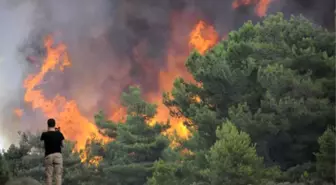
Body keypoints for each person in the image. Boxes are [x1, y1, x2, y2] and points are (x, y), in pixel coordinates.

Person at [40, 118, 65, 185]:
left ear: (47, 125)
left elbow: (42, 145)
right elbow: (63, 145)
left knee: (49, 176)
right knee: (58, 175)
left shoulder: (44, 134)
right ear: (55, 125)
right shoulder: (59, 134)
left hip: (48, 156)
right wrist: (58, 133)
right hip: (58, 156)